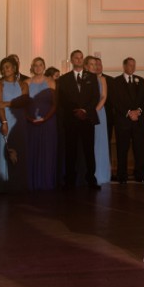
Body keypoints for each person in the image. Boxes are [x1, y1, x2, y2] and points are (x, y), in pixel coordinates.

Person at [55, 50, 101, 190]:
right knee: (71, 151)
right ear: (72, 60)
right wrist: (75, 111)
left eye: (81, 58)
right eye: (76, 58)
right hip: (71, 120)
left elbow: (95, 97)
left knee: (88, 150)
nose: (79, 60)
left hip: (87, 119)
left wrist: (85, 111)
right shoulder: (63, 79)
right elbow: (62, 100)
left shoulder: (92, 77)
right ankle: (70, 179)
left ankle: (91, 179)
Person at [0, 56, 30, 191]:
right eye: (2, 67)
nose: (4, 69)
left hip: (18, 120)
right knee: (4, 150)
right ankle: (2, 183)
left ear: (14, 68)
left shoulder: (23, 84)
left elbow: (24, 101)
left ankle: (18, 183)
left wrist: (8, 103)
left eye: (7, 67)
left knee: (19, 150)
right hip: (4, 119)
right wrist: (4, 121)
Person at [111, 57, 144, 183]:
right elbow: (115, 101)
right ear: (124, 66)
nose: (132, 67)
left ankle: (140, 175)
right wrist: (128, 113)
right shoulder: (116, 81)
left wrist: (138, 111)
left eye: (134, 65)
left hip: (138, 121)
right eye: (130, 65)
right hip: (123, 122)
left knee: (139, 149)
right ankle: (122, 176)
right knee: (122, 149)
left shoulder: (141, 80)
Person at [25, 57, 58, 190]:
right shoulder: (26, 82)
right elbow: (23, 104)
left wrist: (45, 118)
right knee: (31, 150)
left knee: (47, 150)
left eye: (40, 65)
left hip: (48, 120)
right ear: (32, 67)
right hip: (30, 121)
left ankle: (46, 180)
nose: (38, 67)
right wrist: (29, 118)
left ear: (44, 67)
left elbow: (55, 104)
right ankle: (31, 181)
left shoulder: (51, 81)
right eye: (35, 65)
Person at [86, 56, 112, 185]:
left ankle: (101, 174)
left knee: (100, 142)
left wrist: (95, 111)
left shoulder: (102, 79)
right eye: (92, 64)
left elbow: (104, 97)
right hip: (87, 114)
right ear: (86, 66)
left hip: (99, 113)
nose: (95, 67)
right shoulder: (84, 79)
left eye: (96, 64)